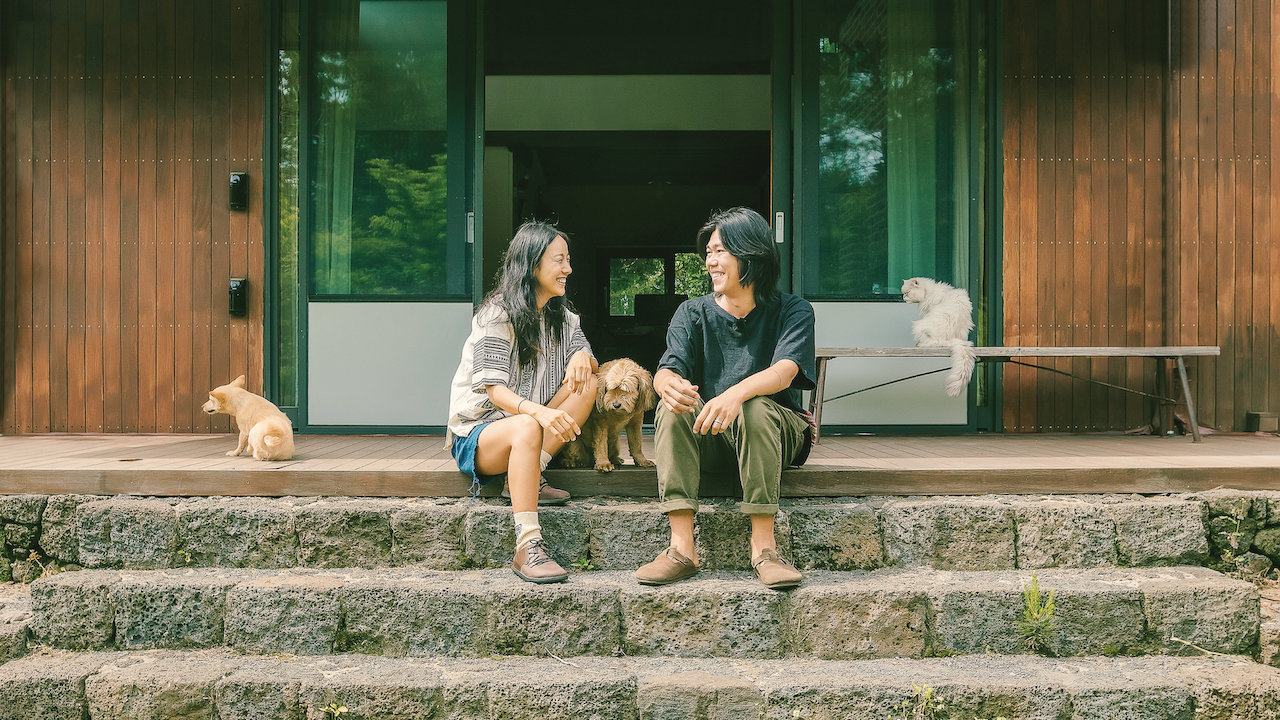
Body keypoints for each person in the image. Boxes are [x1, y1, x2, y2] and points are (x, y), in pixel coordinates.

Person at [636, 207, 816, 590]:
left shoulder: (793, 309)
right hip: (713, 435)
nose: (710, 262)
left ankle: (765, 548)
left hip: (773, 431)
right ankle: (681, 547)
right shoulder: (692, 312)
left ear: (750, 254)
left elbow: (785, 371)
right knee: (674, 405)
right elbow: (670, 366)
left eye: (719, 251)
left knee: (753, 405)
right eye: (708, 253)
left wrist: (735, 393)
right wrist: (664, 383)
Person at [446, 220, 597, 583]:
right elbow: (495, 391)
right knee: (529, 422)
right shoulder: (497, 314)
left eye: (568, 259)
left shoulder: (563, 317)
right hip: (479, 437)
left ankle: (527, 475)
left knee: (588, 383)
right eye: (559, 260)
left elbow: (584, 356)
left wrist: (583, 356)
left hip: (528, 429)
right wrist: (538, 411)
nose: (568, 269)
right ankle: (527, 544)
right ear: (532, 266)